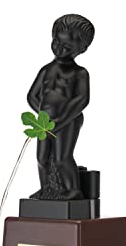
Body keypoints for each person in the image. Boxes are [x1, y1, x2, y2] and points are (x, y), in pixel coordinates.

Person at [27, 14, 95, 200]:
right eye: (56, 42)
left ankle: (73, 190)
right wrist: (42, 119)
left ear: (82, 49)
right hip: (45, 123)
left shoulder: (79, 73)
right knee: (42, 158)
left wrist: (63, 119)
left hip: (68, 121)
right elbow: (32, 96)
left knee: (62, 157)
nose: (59, 49)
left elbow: (82, 99)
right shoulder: (46, 70)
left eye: (67, 47)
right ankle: (46, 188)